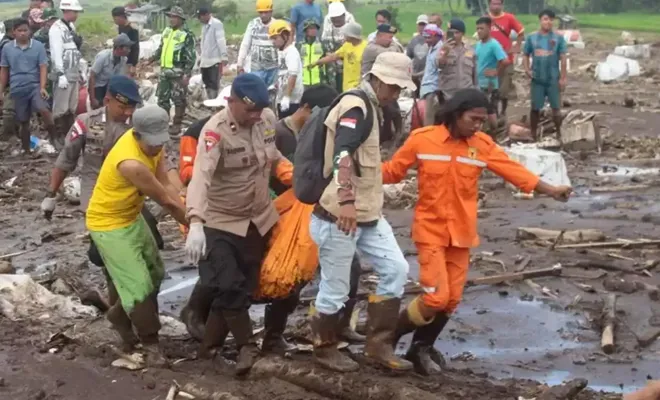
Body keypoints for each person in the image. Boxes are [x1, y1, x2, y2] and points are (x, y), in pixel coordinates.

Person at [382, 88, 572, 376]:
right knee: (435, 298)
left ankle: (419, 349)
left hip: (461, 233)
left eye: (483, 121)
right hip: (430, 231)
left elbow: (514, 171)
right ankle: (387, 338)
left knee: (452, 299)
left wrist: (551, 190)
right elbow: (393, 171)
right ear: (457, 114)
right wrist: (355, 171)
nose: (478, 125)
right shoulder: (423, 139)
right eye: (474, 119)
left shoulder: (481, 145)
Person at [309, 53, 415, 373]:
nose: (396, 94)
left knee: (396, 269)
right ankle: (324, 347)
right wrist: (345, 200)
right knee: (336, 288)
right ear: (378, 79)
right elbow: (343, 152)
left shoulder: (374, 107)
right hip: (340, 214)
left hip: (368, 213)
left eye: (400, 89)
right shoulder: (356, 107)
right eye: (394, 87)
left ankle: (378, 345)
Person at [184, 73, 294, 376]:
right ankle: (247, 346)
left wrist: (291, 174)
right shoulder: (214, 132)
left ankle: (210, 349)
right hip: (219, 221)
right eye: (250, 111)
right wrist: (195, 222)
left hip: (256, 219)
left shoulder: (267, 119)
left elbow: (273, 156)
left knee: (241, 290)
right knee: (228, 285)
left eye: (259, 110)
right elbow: (200, 177)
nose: (255, 116)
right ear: (231, 102)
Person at [87, 104, 187, 368]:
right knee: (140, 286)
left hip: (131, 216)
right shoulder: (130, 162)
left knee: (155, 273)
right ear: (137, 134)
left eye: (160, 142)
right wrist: (193, 225)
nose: (156, 148)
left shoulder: (155, 145)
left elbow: (166, 181)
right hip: (108, 224)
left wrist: (189, 203)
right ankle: (151, 344)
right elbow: (165, 199)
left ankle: (118, 315)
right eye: (151, 143)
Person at [0, 18, 55, 154]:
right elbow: (4, 70)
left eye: (25, 30)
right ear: (14, 32)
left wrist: (42, 87)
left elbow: (43, 67)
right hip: (17, 87)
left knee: (44, 109)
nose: (23, 33)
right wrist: (1, 90)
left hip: (35, 86)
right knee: (23, 120)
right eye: (20, 31)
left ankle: (55, 138)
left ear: (30, 31)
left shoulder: (38, 46)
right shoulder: (7, 48)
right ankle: (26, 150)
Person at [523, 9, 567, 143]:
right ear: (540, 20)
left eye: (551, 20)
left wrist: (563, 78)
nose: (548, 22)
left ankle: (559, 134)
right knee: (535, 107)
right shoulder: (532, 38)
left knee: (556, 108)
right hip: (537, 77)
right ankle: (533, 134)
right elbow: (525, 54)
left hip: (553, 77)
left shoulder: (558, 38)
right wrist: (526, 69)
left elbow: (563, 58)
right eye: (545, 19)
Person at [151, 6, 196, 137]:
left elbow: (191, 56)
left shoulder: (186, 34)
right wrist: (152, 59)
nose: (172, 19)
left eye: (175, 17)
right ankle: (163, 123)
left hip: (178, 73)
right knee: (162, 99)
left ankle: (177, 124)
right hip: (165, 72)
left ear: (181, 19)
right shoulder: (166, 32)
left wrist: (187, 74)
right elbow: (161, 48)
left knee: (179, 99)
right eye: (170, 17)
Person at [49, 0, 83, 149]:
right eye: (75, 12)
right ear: (66, 11)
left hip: (73, 71)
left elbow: (75, 51)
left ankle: (70, 135)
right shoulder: (56, 28)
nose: (76, 15)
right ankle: (58, 137)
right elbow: (56, 53)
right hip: (63, 73)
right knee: (61, 107)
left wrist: (81, 70)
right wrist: (60, 73)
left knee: (71, 106)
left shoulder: (71, 27)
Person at [361, 23, 403, 143]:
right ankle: (381, 140)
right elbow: (392, 55)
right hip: (370, 88)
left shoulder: (387, 46)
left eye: (392, 37)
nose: (391, 40)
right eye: (389, 37)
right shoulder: (371, 48)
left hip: (383, 87)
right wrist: (396, 46)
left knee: (392, 110)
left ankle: (392, 136)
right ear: (379, 36)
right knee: (381, 114)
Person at [488, 0, 524, 116]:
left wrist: (517, 46)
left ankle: (503, 112)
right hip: (490, 60)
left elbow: (521, 31)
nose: (496, 6)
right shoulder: (485, 19)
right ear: (489, 5)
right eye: (494, 3)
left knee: (504, 89)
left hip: (506, 59)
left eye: (498, 4)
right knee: (491, 88)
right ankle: (493, 113)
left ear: (502, 5)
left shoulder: (509, 18)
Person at [311, 22, 365, 92]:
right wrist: (317, 62)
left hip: (359, 87)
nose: (344, 36)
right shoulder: (347, 45)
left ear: (352, 36)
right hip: (347, 87)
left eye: (346, 34)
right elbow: (333, 57)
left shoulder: (366, 48)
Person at [475, 16, 507, 130]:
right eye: (477, 28)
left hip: (490, 85)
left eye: (481, 28)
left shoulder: (494, 44)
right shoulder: (479, 44)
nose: (479, 31)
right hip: (479, 83)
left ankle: (495, 134)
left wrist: (496, 72)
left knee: (491, 111)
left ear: (489, 29)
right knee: (481, 109)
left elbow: (504, 60)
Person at [238, 0, 279, 86]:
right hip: (256, 68)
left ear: (271, 11)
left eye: (266, 12)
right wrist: (240, 64)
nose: (263, 15)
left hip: (273, 69)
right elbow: (245, 44)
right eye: (261, 12)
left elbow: (281, 48)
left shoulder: (277, 25)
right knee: (256, 94)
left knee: (271, 94)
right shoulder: (253, 24)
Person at [269, 20, 303, 119]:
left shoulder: (292, 52)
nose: (273, 42)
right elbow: (284, 73)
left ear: (285, 36)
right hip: (282, 98)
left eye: (275, 38)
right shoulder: (282, 52)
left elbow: (293, 75)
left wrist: (287, 96)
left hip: (292, 101)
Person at [88, 33, 132, 110]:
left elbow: (116, 80)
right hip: (98, 85)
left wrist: (108, 97)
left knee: (124, 101)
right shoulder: (103, 57)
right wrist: (92, 99)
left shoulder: (123, 59)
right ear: (119, 48)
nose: (129, 50)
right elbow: (92, 76)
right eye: (127, 48)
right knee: (98, 106)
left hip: (109, 85)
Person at [320, 1, 354, 93]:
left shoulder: (350, 21)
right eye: (333, 20)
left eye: (338, 20)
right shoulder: (327, 20)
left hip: (346, 61)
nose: (336, 22)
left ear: (343, 16)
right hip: (332, 61)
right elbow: (324, 39)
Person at [197, 7, 228, 101]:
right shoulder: (204, 26)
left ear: (207, 15)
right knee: (206, 81)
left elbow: (221, 40)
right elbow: (203, 43)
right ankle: (209, 100)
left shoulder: (217, 24)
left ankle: (213, 101)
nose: (200, 19)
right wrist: (201, 58)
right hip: (205, 60)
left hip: (214, 60)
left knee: (213, 82)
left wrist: (224, 56)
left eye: (201, 17)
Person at [418, 24, 443, 127]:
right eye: (425, 38)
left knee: (428, 118)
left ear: (437, 36)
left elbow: (441, 72)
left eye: (429, 37)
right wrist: (414, 75)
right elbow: (429, 70)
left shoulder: (440, 50)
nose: (427, 40)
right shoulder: (431, 48)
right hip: (428, 87)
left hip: (433, 89)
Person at [33, 8, 58, 100]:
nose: (52, 23)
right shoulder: (38, 35)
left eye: (54, 20)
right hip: (45, 65)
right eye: (50, 20)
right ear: (45, 21)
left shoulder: (60, 32)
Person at [0, 19, 17, 142]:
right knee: (9, 109)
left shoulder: (7, 43)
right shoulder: (7, 45)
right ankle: (8, 135)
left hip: (11, 80)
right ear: (13, 30)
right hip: (11, 80)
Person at [112, 7, 140, 77]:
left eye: (115, 19)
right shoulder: (120, 27)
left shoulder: (132, 28)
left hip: (129, 60)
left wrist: (133, 65)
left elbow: (135, 47)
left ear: (122, 17)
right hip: (121, 58)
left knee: (126, 78)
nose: (115, 21)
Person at [406, 14, 428, 97]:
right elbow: (408, 58)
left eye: (424, 24)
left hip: (427, 76)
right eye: (420, 24)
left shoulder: (432, 40)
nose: (422, 27)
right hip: (415, 76)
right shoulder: (413, 41)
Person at [299, 20, 324, 88]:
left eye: (315, 28)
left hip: (319, 80)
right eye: (311, 28)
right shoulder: (299, 45)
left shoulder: (322, 44)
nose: (313, 30)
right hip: (303, 82)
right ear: (305, 30)